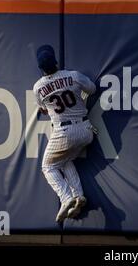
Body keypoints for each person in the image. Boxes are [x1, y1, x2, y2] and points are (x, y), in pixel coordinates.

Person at [33, 44, 97, 223]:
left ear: (41, 69)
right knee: (64, 160)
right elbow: (92, 89)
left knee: (48, 166)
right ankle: (78, 196)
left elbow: (44, 110)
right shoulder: (73, 75)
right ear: (56, 61)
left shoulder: (38, 87)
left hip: (64, 131)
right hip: (86, 130)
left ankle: (66, 197)